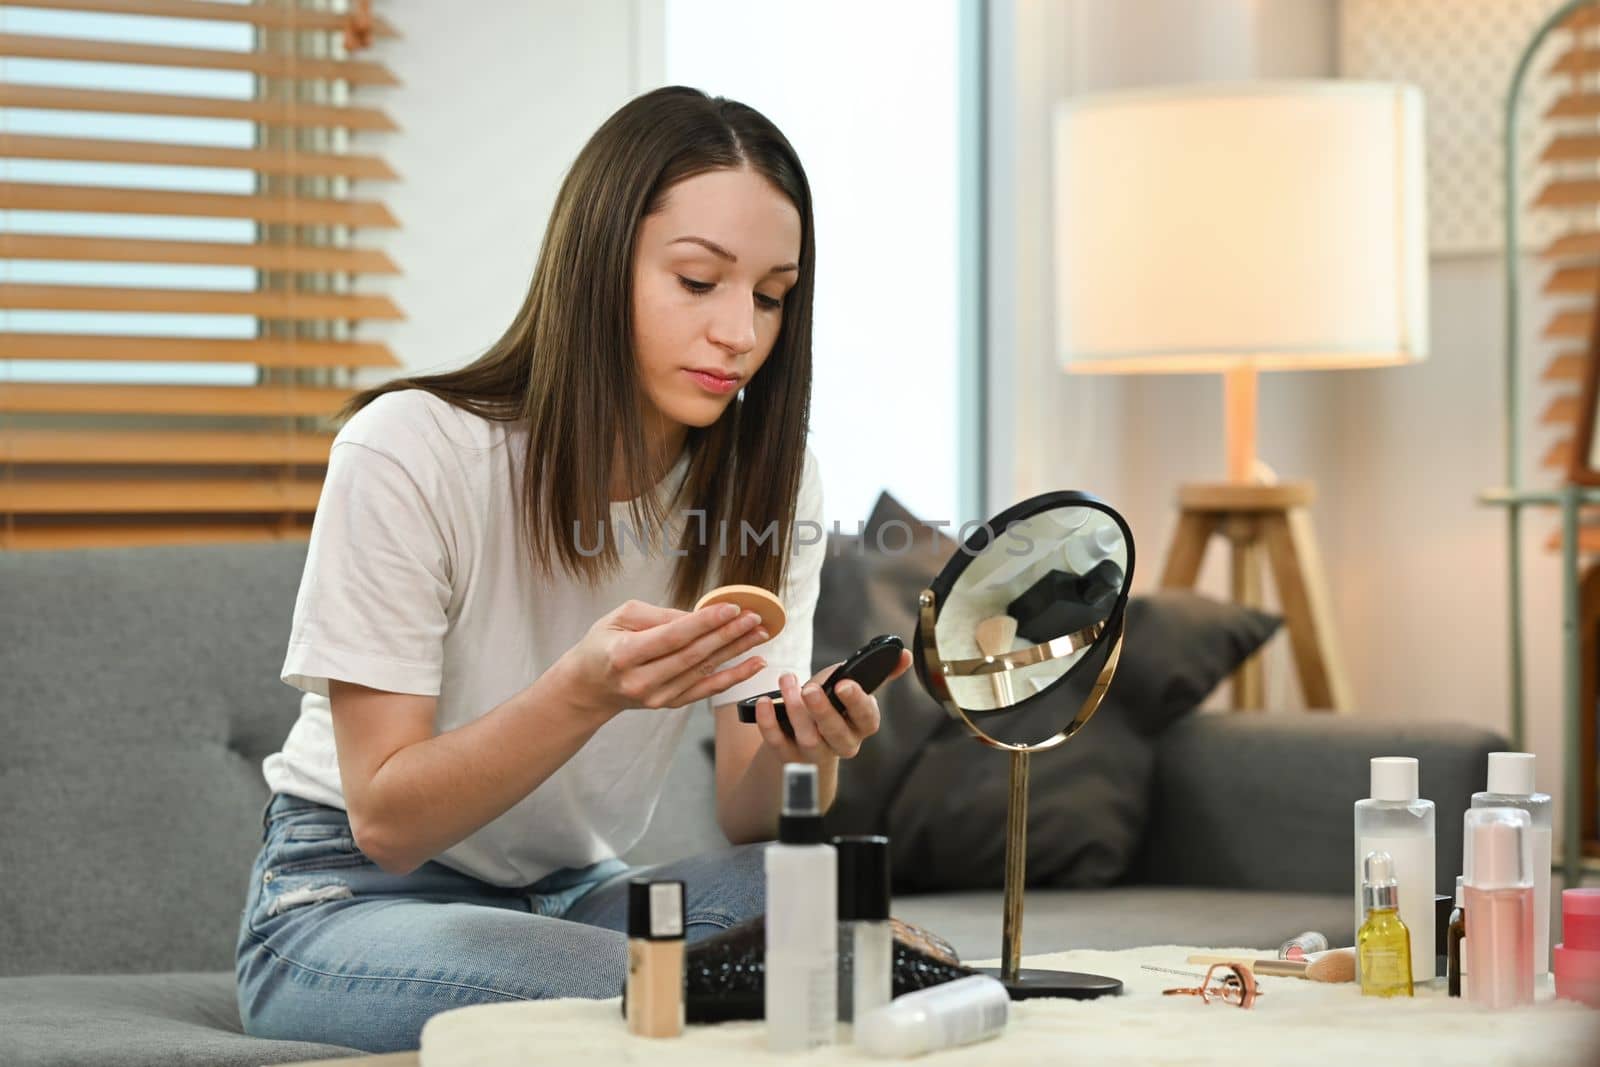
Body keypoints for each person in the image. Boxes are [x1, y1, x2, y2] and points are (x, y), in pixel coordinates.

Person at [235, 85, 909, 1053]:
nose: (739, 332)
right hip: (344, 897)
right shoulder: (409, 450)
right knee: (666, 989)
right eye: (696, 281)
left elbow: (743, 812)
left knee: (845, 927)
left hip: (574, 893)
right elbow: (386, 817)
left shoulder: (770, 477)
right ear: (599, 263)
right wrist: (582, 693)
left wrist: (807, 752)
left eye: (768, 296)